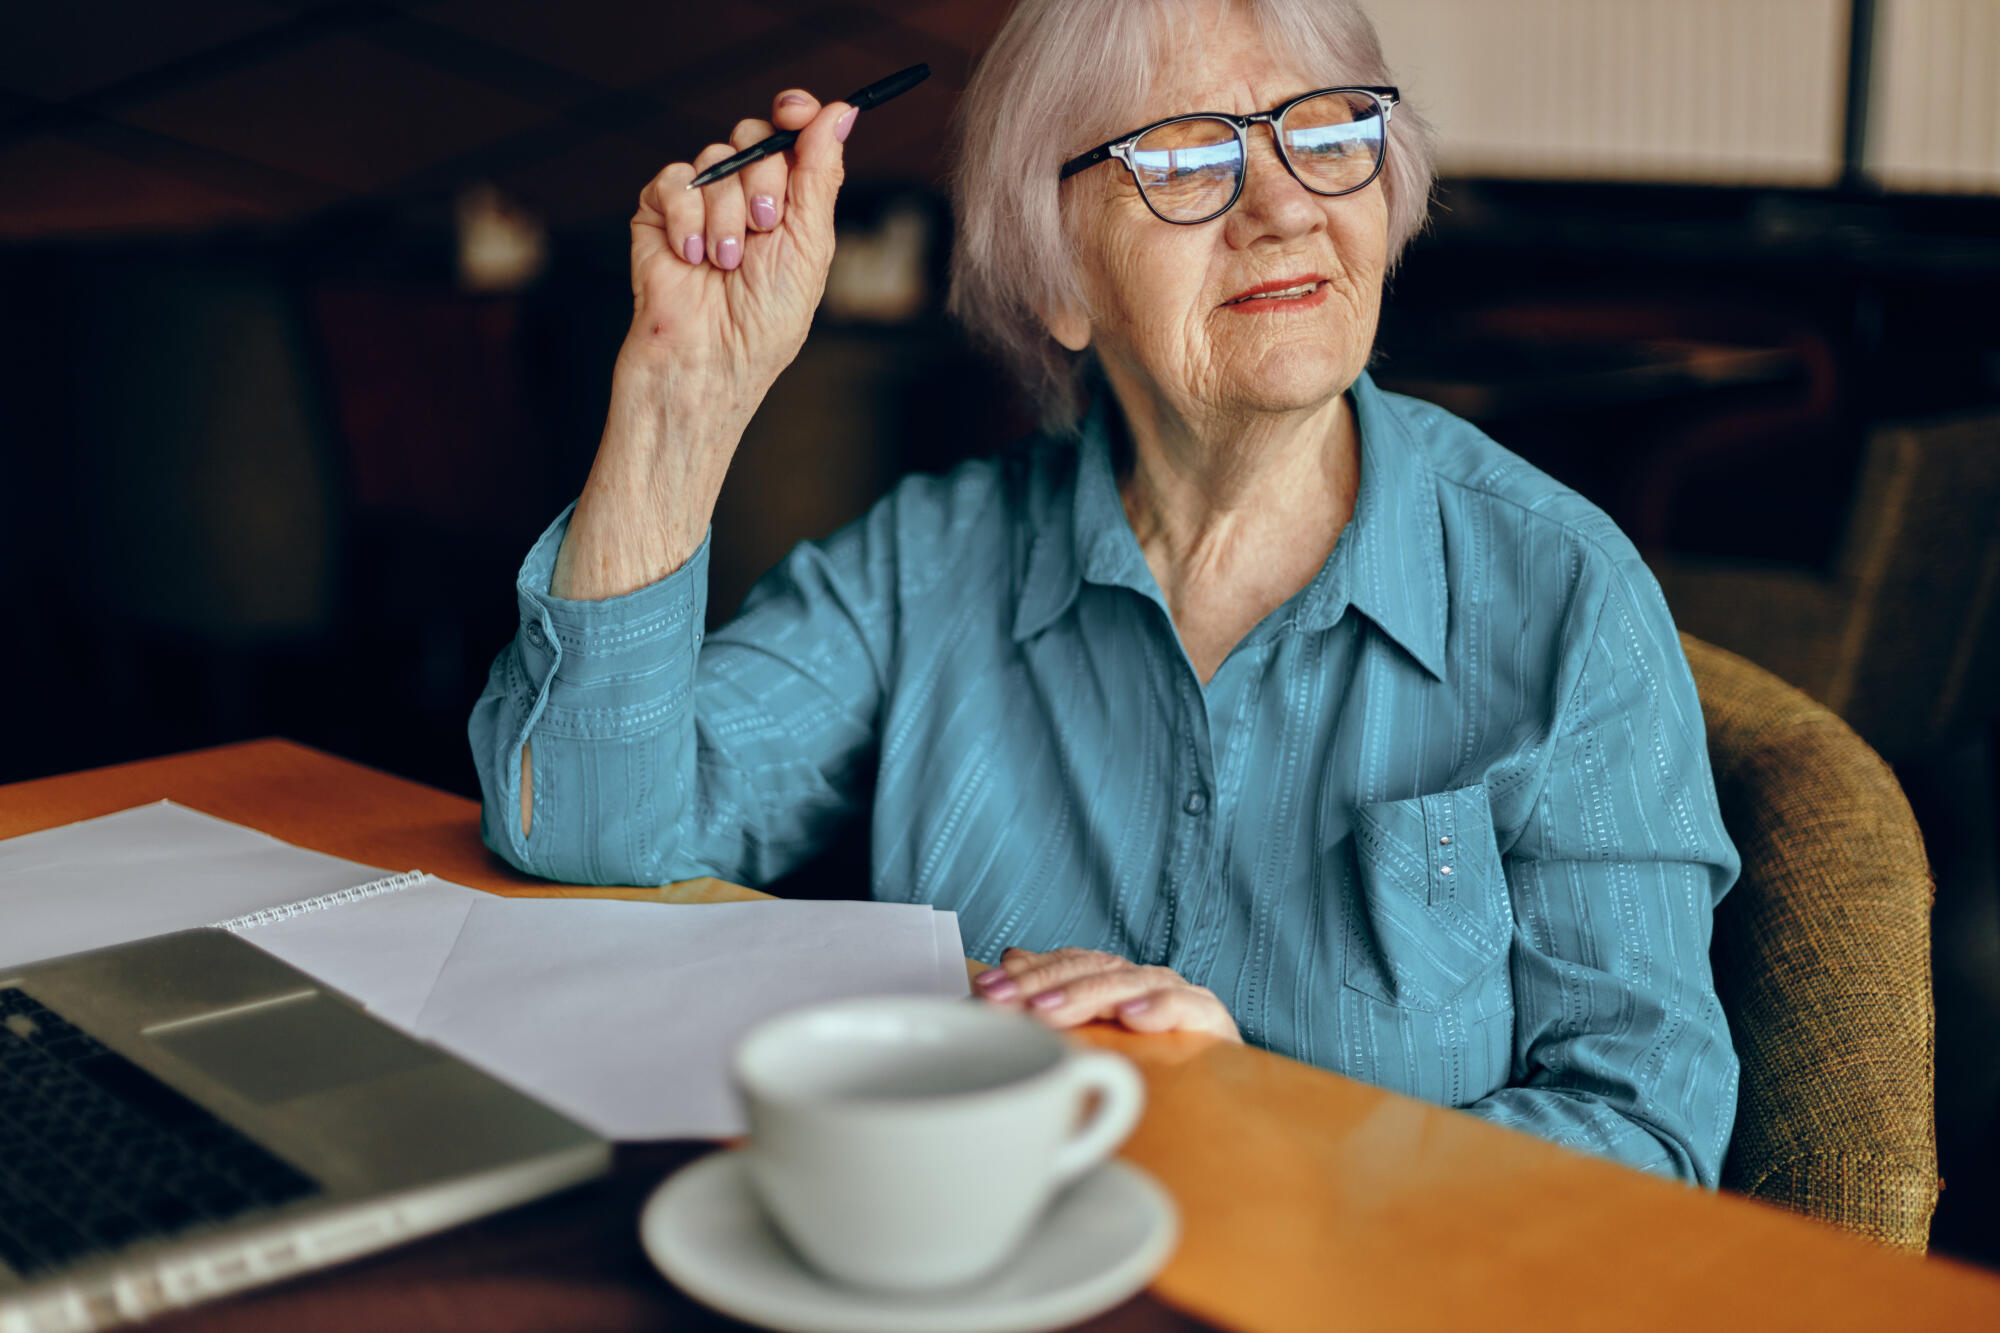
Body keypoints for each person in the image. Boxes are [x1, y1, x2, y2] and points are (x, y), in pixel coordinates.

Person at [470, 0, 1741, 1186]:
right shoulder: (930, 565)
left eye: (1325, 133)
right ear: (1056, 282)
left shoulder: (1560, 595)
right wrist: (681, 398)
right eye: (1185, 163)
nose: (1284, 210)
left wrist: (1261, 1126)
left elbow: (1643, 1132)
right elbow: (588, 834)